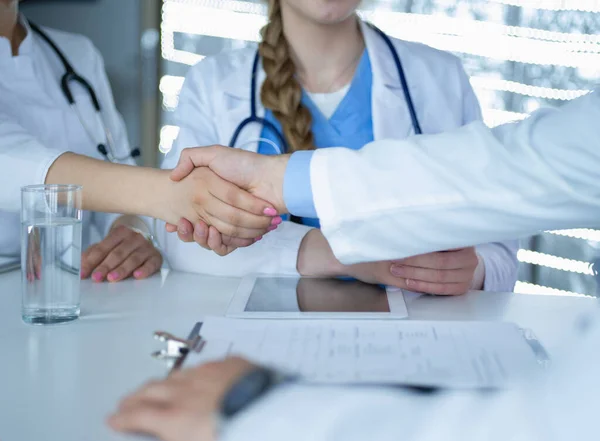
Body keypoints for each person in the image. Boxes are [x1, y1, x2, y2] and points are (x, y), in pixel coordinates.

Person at [107, 90, 600, 441]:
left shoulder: (435, 75)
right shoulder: (216, 80)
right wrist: (288, 183)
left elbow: (540, 423)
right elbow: (528, 163)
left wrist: (259, 414)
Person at [161, 0, 518, 295]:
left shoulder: (440, 77)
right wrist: (352, 258)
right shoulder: (212, 85)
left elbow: (499, 248)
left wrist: (473, 271)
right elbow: (179, 237)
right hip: (256, 349)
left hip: (412, 348)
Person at [0, 1, 164, 282]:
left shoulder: (77, 54)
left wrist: (131, 231)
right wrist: (168, 193)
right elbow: (14, 163)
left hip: (79, 290)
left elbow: (118, 168)